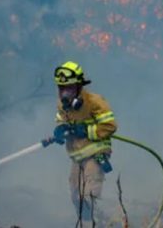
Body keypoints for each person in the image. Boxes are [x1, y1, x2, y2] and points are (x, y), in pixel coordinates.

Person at [43, 61, 117, 225]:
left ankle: (109, 223)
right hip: (77, 157)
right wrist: (60, 130)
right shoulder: (62, 105)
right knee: (75, 196)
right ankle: (86, 223)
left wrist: (86, 130)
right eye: (61, 88)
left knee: (89, 196)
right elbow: (61, 120)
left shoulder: (95, 102)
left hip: (96, 154)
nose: (64, 93)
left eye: (69, 88)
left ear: (79, 87)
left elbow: (110, 126)